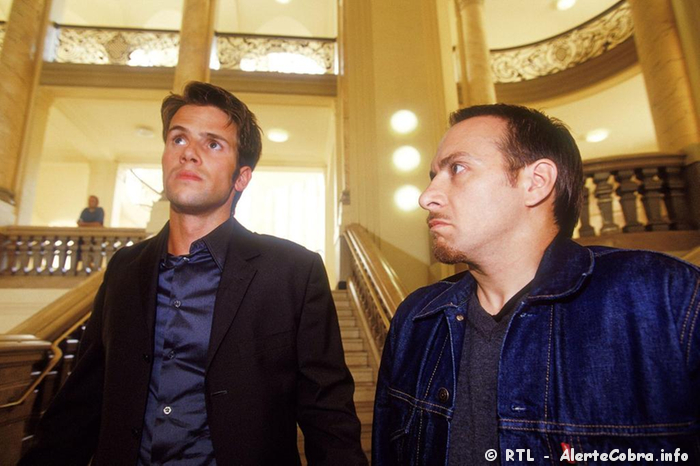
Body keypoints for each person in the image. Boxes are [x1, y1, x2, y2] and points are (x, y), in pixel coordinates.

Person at [21, 82, 367, 466]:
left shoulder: (292, 272)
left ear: (241, 177)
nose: (188, 153)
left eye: (213, 144)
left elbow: (328, 419)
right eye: (178, 139)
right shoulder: (124, 268)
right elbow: (80, 405)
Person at [372, 104, 700, 465]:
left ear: (536, 182)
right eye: (433, 175)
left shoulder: (664, 298)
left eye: (458, 168)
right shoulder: (416, 319)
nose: (426, 197)